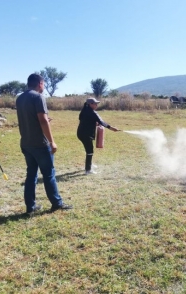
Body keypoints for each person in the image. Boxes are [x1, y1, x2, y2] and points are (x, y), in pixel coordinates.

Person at [16, 73, 72, 214]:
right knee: (48, 174)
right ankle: (56, 203)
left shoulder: (20, 98)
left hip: (26, 143)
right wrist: (52, 141)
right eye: (44, 84)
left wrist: (45, 120)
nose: (44, 87)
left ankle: (31, 207)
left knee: (31, 175)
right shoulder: (38, 96)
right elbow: (42, 120)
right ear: (40, 83)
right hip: (40, 144)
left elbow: (31, 118)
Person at [77, 97, 120, 174]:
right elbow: (101, 122)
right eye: (95, 104)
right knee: (90, 151)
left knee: (89, 150)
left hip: (80, 133)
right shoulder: (93, 113)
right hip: (86, 134)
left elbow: (84, 119)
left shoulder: (84, 111)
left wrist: (94, 123)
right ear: (90, 104)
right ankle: (88, 170)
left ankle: (89, 165)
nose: (97, 105)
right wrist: (112, 128)